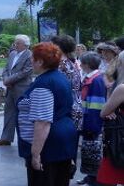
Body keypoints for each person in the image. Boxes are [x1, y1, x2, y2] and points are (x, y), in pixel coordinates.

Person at [16, 42, 78, 186]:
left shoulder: (44, 84)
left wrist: (36, 154)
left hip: (48, 146)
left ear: (41, 62)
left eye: (33, 58)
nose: (31, 60)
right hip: (63, 140)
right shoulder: (60, 77)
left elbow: (42, 122)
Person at [0, 34, 33, 146]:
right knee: (9, 112)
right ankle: (6, 138)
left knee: (23, 114)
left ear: (25, 45)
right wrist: (5, 79)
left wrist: (9, 80)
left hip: (22, 89)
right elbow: (6, 68)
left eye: (17, 43)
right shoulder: (12, 54)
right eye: (15, 42)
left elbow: (26, 72)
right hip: (10, 88)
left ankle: (24, 139)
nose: (15, 44)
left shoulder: (29, 55)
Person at [76, 52, 107, 186]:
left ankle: (95, 178)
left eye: (82, 62)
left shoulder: (96, 80)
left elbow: (97, 106)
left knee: (93, 151)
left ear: (87, 65)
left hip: (92, 124)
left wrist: (92, 126)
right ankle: (91, 176)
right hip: (88, 122)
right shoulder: (92, 78)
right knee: (89, 151)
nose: (80, 64)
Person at [50, 35, 83, 130]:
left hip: (65, 111)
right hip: (75, 108)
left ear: (58, 48)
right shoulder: (71, 62)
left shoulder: (61, 65)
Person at [96, 81, 124, 185]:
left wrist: (113, 109)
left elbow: (103, 112)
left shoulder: (122, 89)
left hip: (119, 143)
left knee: (109, 178)